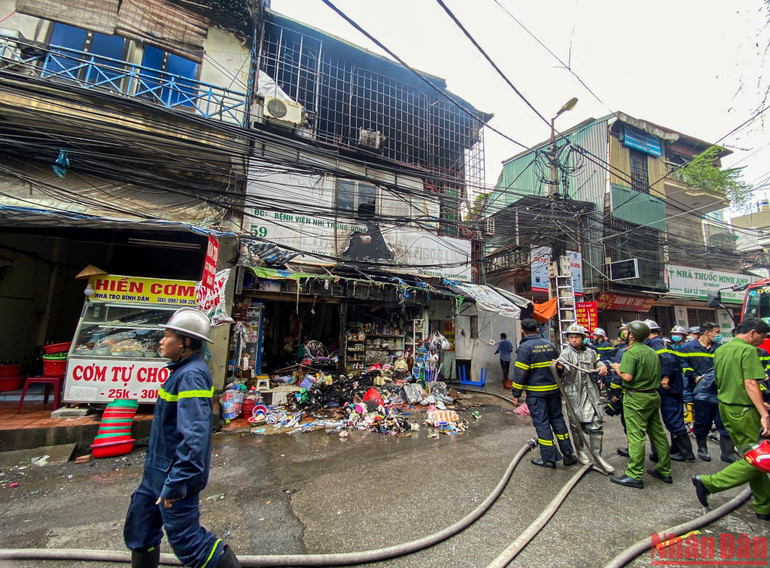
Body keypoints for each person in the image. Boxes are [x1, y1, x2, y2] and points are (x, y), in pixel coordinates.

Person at [124, 308, 241, 568]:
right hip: (156, 473)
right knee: (140, 529)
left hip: (174, 476)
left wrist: (177, 483)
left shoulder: (191, 376)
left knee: (190, 544)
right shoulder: (180, 372)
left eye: (168, 336)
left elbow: (195, 438)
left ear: (186, 343)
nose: (161, 341)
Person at [692, 318, 770, 521]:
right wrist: (764, 413)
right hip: (744, 410)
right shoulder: (748, 351)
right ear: (752, 333)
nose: (762, 342)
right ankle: (710, 482)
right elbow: (750, 384)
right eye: (762, 337)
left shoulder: (721, 350)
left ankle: (764, 506)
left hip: (726, 408)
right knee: (758, 459)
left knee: (751, 454)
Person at [609, 320, 672, 489]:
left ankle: (634, 474)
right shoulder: (651, 351)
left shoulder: (630, 353)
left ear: (632, 335)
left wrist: (617, 369)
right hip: (653, 395)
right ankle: (665, 470)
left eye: (627, 331)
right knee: (658, 433)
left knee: (636, 436)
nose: (624, 333)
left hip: (636, 397)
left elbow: (628, 377)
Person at [512, 318, 578, 469]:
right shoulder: (550, 345)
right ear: (537, 330)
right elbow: (559, 367)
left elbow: (520, 372)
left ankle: (549, 459)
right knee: (558, 421)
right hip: (554, 391)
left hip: (536, 394)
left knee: (542, 424)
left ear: (523, 330)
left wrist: (516, 393)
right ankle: (568, 455)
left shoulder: (525, 348)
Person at [555, 324, 614, 473]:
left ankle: (597, 455)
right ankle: (580, 451)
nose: (574, 340)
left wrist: (602, 367)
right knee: (576, 424)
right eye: (571, 337)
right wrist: (559, 366)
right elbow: (561, 369)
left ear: (583, 338)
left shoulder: (591, 353)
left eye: (577, 337)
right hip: (573, 393)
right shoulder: (565, 354)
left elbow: (598, 362)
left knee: (596, 424)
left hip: (591, 392)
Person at [679, 322, 736, 462]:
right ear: (707, 333)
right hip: (700, 392)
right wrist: (695, 377)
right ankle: (702, 448)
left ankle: (727, 453)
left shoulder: (721, 348)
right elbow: (683, 366)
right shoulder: (687, 348)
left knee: (723, 421)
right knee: (703, 422)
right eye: (717, 332)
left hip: (720, 391)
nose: (719, 335)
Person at [644, 319, 695, 462]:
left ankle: (686, 453)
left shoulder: (655, 343)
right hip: (674, 387)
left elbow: (668, 360)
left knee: (672, 418)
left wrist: (665, 377)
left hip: (669, 388)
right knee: (674, 417)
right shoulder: (663, 342)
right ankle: (676, 448)